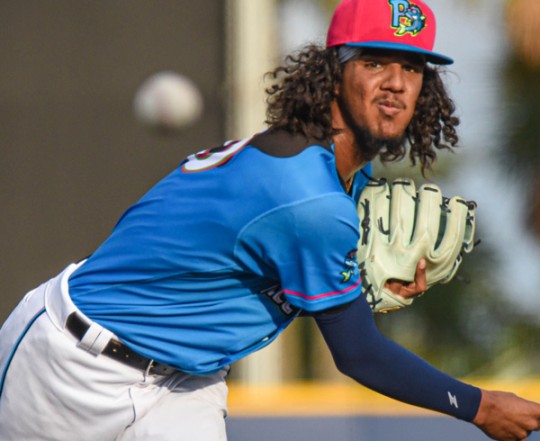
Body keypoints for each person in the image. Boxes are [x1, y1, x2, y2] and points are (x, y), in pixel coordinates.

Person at [1, 0, 539, 440]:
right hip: (72, 363)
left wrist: (358, 282)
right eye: (375, 62)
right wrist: (480, 406)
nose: (397, 82)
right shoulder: (307, 196)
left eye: (413, 67)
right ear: (334, 73)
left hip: (184, 384)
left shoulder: (339, 173)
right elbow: (359, 354)